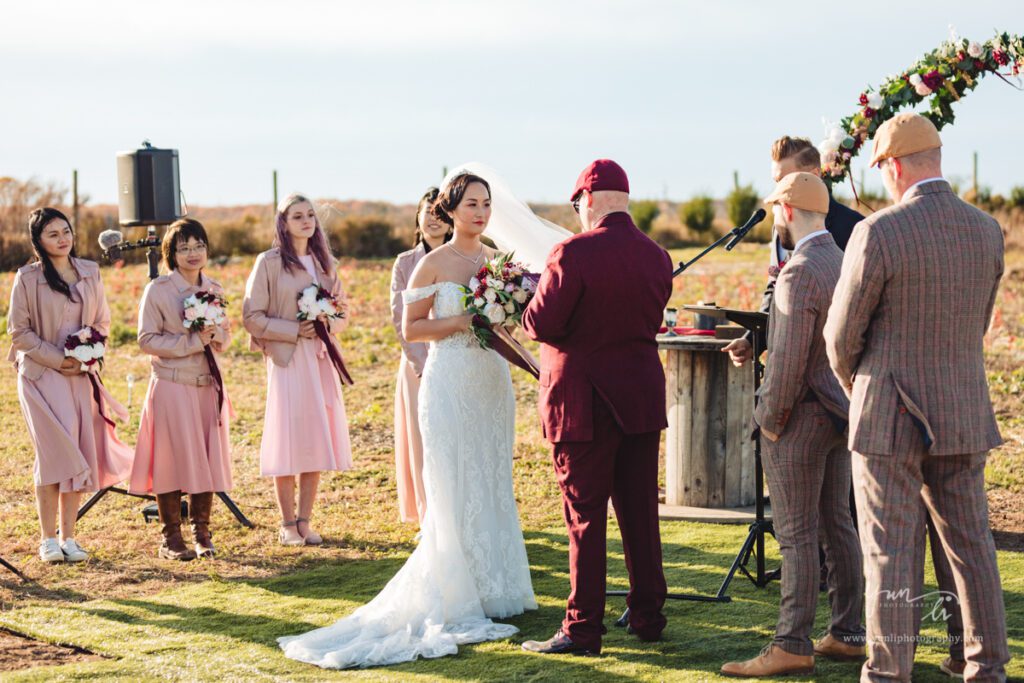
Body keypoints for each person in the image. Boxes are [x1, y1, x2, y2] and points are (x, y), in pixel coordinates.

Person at [278, 173, 536, 669]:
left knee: (490, 476)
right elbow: (411, 326)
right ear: (451, 209)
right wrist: (466, 319)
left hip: (490, 381)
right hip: (449, 380)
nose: (480, 213)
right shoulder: (432, 263)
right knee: (452, 481)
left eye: (487, 204)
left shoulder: (498, 262)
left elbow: (509, 321)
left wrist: (502, 316)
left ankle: (498, 586)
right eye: (471, 205)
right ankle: (455, 589)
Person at [825, 112, 1009, 682]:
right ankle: (989, 669)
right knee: (972, 549)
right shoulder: (988, 230)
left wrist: (860, 386)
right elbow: (976, 323)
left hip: (888, 417)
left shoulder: (877, 232)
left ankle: (888, 675)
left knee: (888, 554)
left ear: (895, 166)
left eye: (881, 169)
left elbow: (840, 336)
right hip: (961, 407)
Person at [521, 159, 672, 656]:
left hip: (583, 403)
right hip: (640, 396)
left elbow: (541, 323)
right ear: (622, 199)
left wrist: (528, 297)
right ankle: (648, 615)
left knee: (584, 517)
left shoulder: (571, 252)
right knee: (639, 511)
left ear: (587, 200)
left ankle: (583, 627)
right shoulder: (657, 256)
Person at [720, 173, 864, 677]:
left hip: (798, 418)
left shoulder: (799, 269)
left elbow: (786, 362)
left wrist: (768, 418)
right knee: (837, 526)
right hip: (838, 415)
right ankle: (849, 632)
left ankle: (791, 643)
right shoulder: (840, 257)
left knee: (797, 534)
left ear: (785, 211)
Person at [7, 207, 133, 563]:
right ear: (38, 242)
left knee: (78, 452)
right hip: (40, 376)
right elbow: (18, 332)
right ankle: (47, 539)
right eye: (53, 234)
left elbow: (102, 321)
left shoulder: (90, 272)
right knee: (52, 455)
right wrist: (57, 359)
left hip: (81, 376)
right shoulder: (27, 278)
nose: (63, 239)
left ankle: (69, 537)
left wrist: (89, 355)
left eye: (66, 232)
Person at [243, 193, 353, 547]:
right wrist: (295, 328)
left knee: (315, 437)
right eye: (297, 216)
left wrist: (325, 323)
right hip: (288, 360)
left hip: (319, 358)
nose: (306, 221)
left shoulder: (325, 264)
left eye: (310, 215)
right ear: (284, 223)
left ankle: (306, 520)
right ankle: (286, 522)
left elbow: (342, 311)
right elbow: (252, 317)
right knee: (289, 438)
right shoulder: (269, 263)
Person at [129, 218, 233, 560]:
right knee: (170, 461)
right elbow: (146, 340)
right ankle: (171, 538)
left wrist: (217, 335)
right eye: (183, 248)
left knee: (207, 459)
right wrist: (189, 341)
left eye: (198, 246)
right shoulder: (158, 290)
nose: (192, 253)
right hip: (172, 384)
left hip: (207, 385)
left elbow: (225, 336)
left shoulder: (214, 288)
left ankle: (202, 532)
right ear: (170, 253)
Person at [390, 186, 449, 523]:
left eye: (441, 212)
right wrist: (422, 366)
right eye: (428, 211)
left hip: (456, 357)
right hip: (417, 364)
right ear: (418, 215)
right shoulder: (405, 263)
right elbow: (400, 317)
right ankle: (429, 515)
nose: (434, 218)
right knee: (422, 436)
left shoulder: (461, 258)